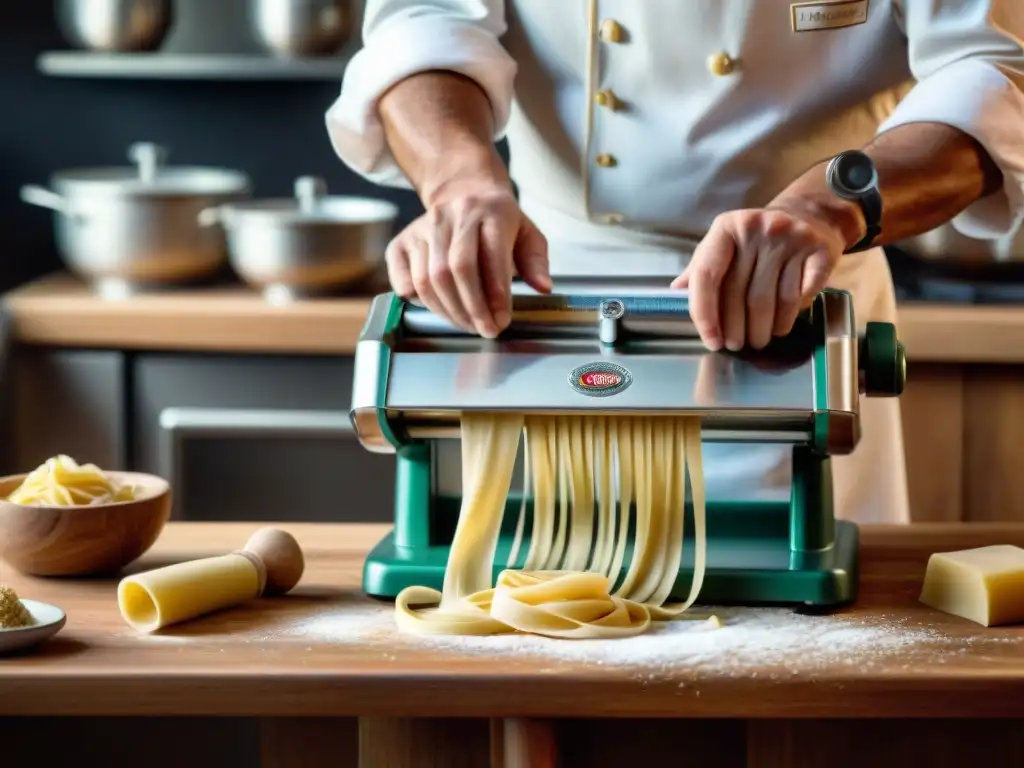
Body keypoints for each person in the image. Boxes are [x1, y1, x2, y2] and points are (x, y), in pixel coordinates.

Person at [326, 1, 1024, 525]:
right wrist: (458, 182)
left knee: (806, 680)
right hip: (544, 304)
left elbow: (994, 73)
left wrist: (826, 208)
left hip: (795, 311)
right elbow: (426, 19)